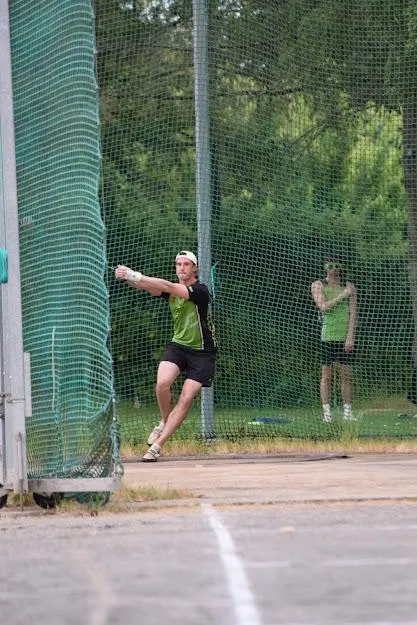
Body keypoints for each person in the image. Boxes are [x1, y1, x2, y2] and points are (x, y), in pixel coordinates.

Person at [115, 251, 217, 461]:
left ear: (195, 268)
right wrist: (127, 277)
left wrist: (136, 275)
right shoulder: (171, 290)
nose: (182, 268)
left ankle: (157, 446)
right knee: (162, 384)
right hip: (178, 346)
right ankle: (164, 421)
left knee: (186, 398)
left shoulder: (200, 290)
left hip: (203, 353)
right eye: (178, 264)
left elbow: (167, 286)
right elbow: (148, 286)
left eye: (186, 264)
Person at [311, 258, 357, 423]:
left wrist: (350, 337)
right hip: (328, 336)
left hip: (344, 337)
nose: (333, 269)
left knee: (346, 374)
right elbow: (323, 307)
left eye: (337, 266)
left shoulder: (349, 286)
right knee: (327, 375)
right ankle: (327, 413)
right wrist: (343, 295)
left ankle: (347, 413)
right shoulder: (318, 285)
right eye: (330, 266)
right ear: (325, 267)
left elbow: (353, 312)